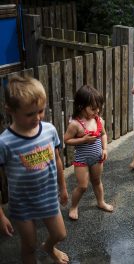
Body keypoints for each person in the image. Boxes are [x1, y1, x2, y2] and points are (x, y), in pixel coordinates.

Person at [0, 76, 69, 263]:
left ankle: (49, 246)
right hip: (22, 204)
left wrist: (62, 188)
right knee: (29, 246)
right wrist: (0, 215)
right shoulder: (5, 142)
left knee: (60, 234)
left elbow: (57, 159)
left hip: (48, 196)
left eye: (41, 111)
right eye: (30, 114)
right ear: (10, 110)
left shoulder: (49, 130)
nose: (37, 118)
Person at [64, 84, 113, 220]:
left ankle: (101, 202)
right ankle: (73, 206)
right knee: (83, 186)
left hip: (97, 157)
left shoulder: (98, 120)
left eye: (98, 108)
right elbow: (67, 140)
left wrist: (104, 149)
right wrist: (83, 139)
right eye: (93, 108)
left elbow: (103, 134)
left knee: (97, 181)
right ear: (81, 106)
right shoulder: (75, 124)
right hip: (82, 160)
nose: (97, 111)